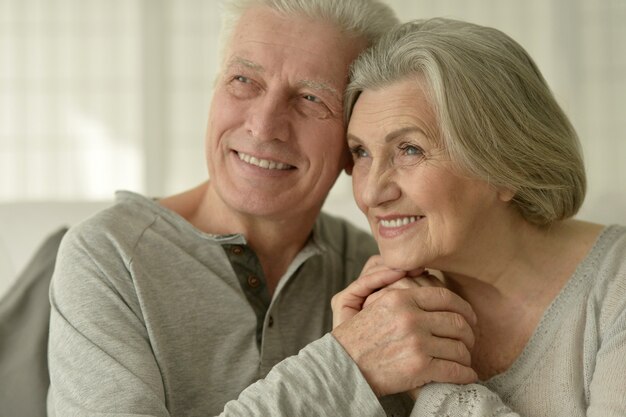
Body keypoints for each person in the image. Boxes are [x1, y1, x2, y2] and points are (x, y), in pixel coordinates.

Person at [47, 3, 480, 416]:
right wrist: (349, 366)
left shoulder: (377, 271)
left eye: (311, 98)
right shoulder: (108, 254)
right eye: (244, 80)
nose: (264, 124)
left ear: (355, 144)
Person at [333, 17, 626, 416]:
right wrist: (349, 371)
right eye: (361, 152)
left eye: (410, 149)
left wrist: (432, 384)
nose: (370, 193)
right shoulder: (378, 313)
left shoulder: (615, 293)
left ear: (506, 165)